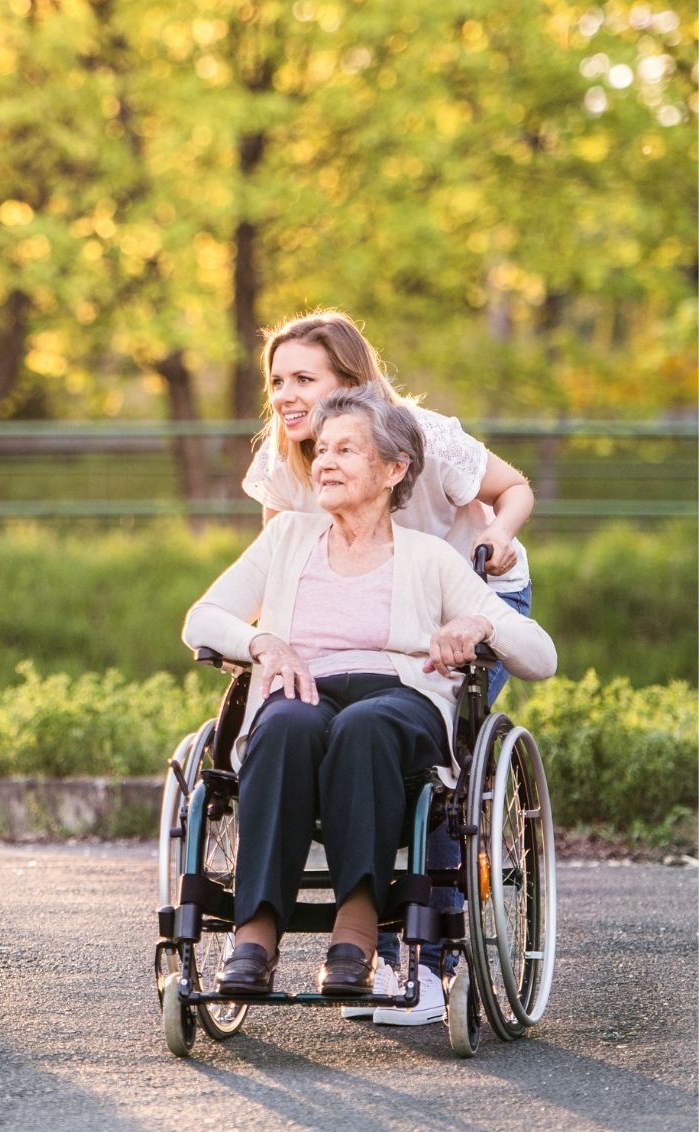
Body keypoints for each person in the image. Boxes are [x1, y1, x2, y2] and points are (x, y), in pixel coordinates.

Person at [181, 385, 556, 1002]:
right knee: (281, 726)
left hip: (399, 700)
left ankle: (354, 931)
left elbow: (541, 654)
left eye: (347, 450)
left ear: (393, 470)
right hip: (304, 688)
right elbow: (202, 617)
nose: (324, 461)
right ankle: (256, 932)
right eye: (322, 449)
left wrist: (481, 624)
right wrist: (263, 643)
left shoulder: (431, 558)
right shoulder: (287, 540)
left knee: (367, 726)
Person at [241, 309, 535, 1023]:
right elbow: (282, 572)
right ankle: (283, 930)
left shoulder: (422, 435)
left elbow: (515, 486)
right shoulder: (287, 457)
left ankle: (430, 964)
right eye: (277, 379)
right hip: (363, 621)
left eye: (303, 378)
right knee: (304, 724)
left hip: (468, 596)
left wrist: (495, 534)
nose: (284, 393)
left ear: (351, 380)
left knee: (430, 765)